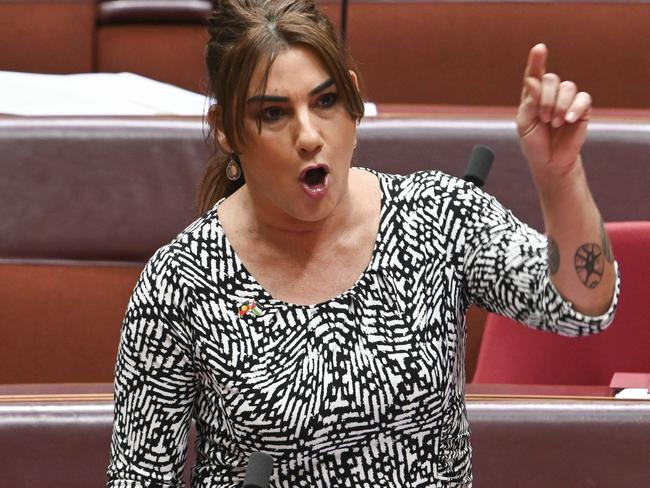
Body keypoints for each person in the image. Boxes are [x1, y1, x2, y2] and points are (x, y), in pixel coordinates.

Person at [107, 1, 619, 487]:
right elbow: (138, 475)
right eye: (273, 114)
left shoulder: (436, 216)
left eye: (325, 101)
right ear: (226, 130)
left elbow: (579, 306)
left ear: (353, 102)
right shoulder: (181, 279)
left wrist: (560, 176)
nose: (309, 135)